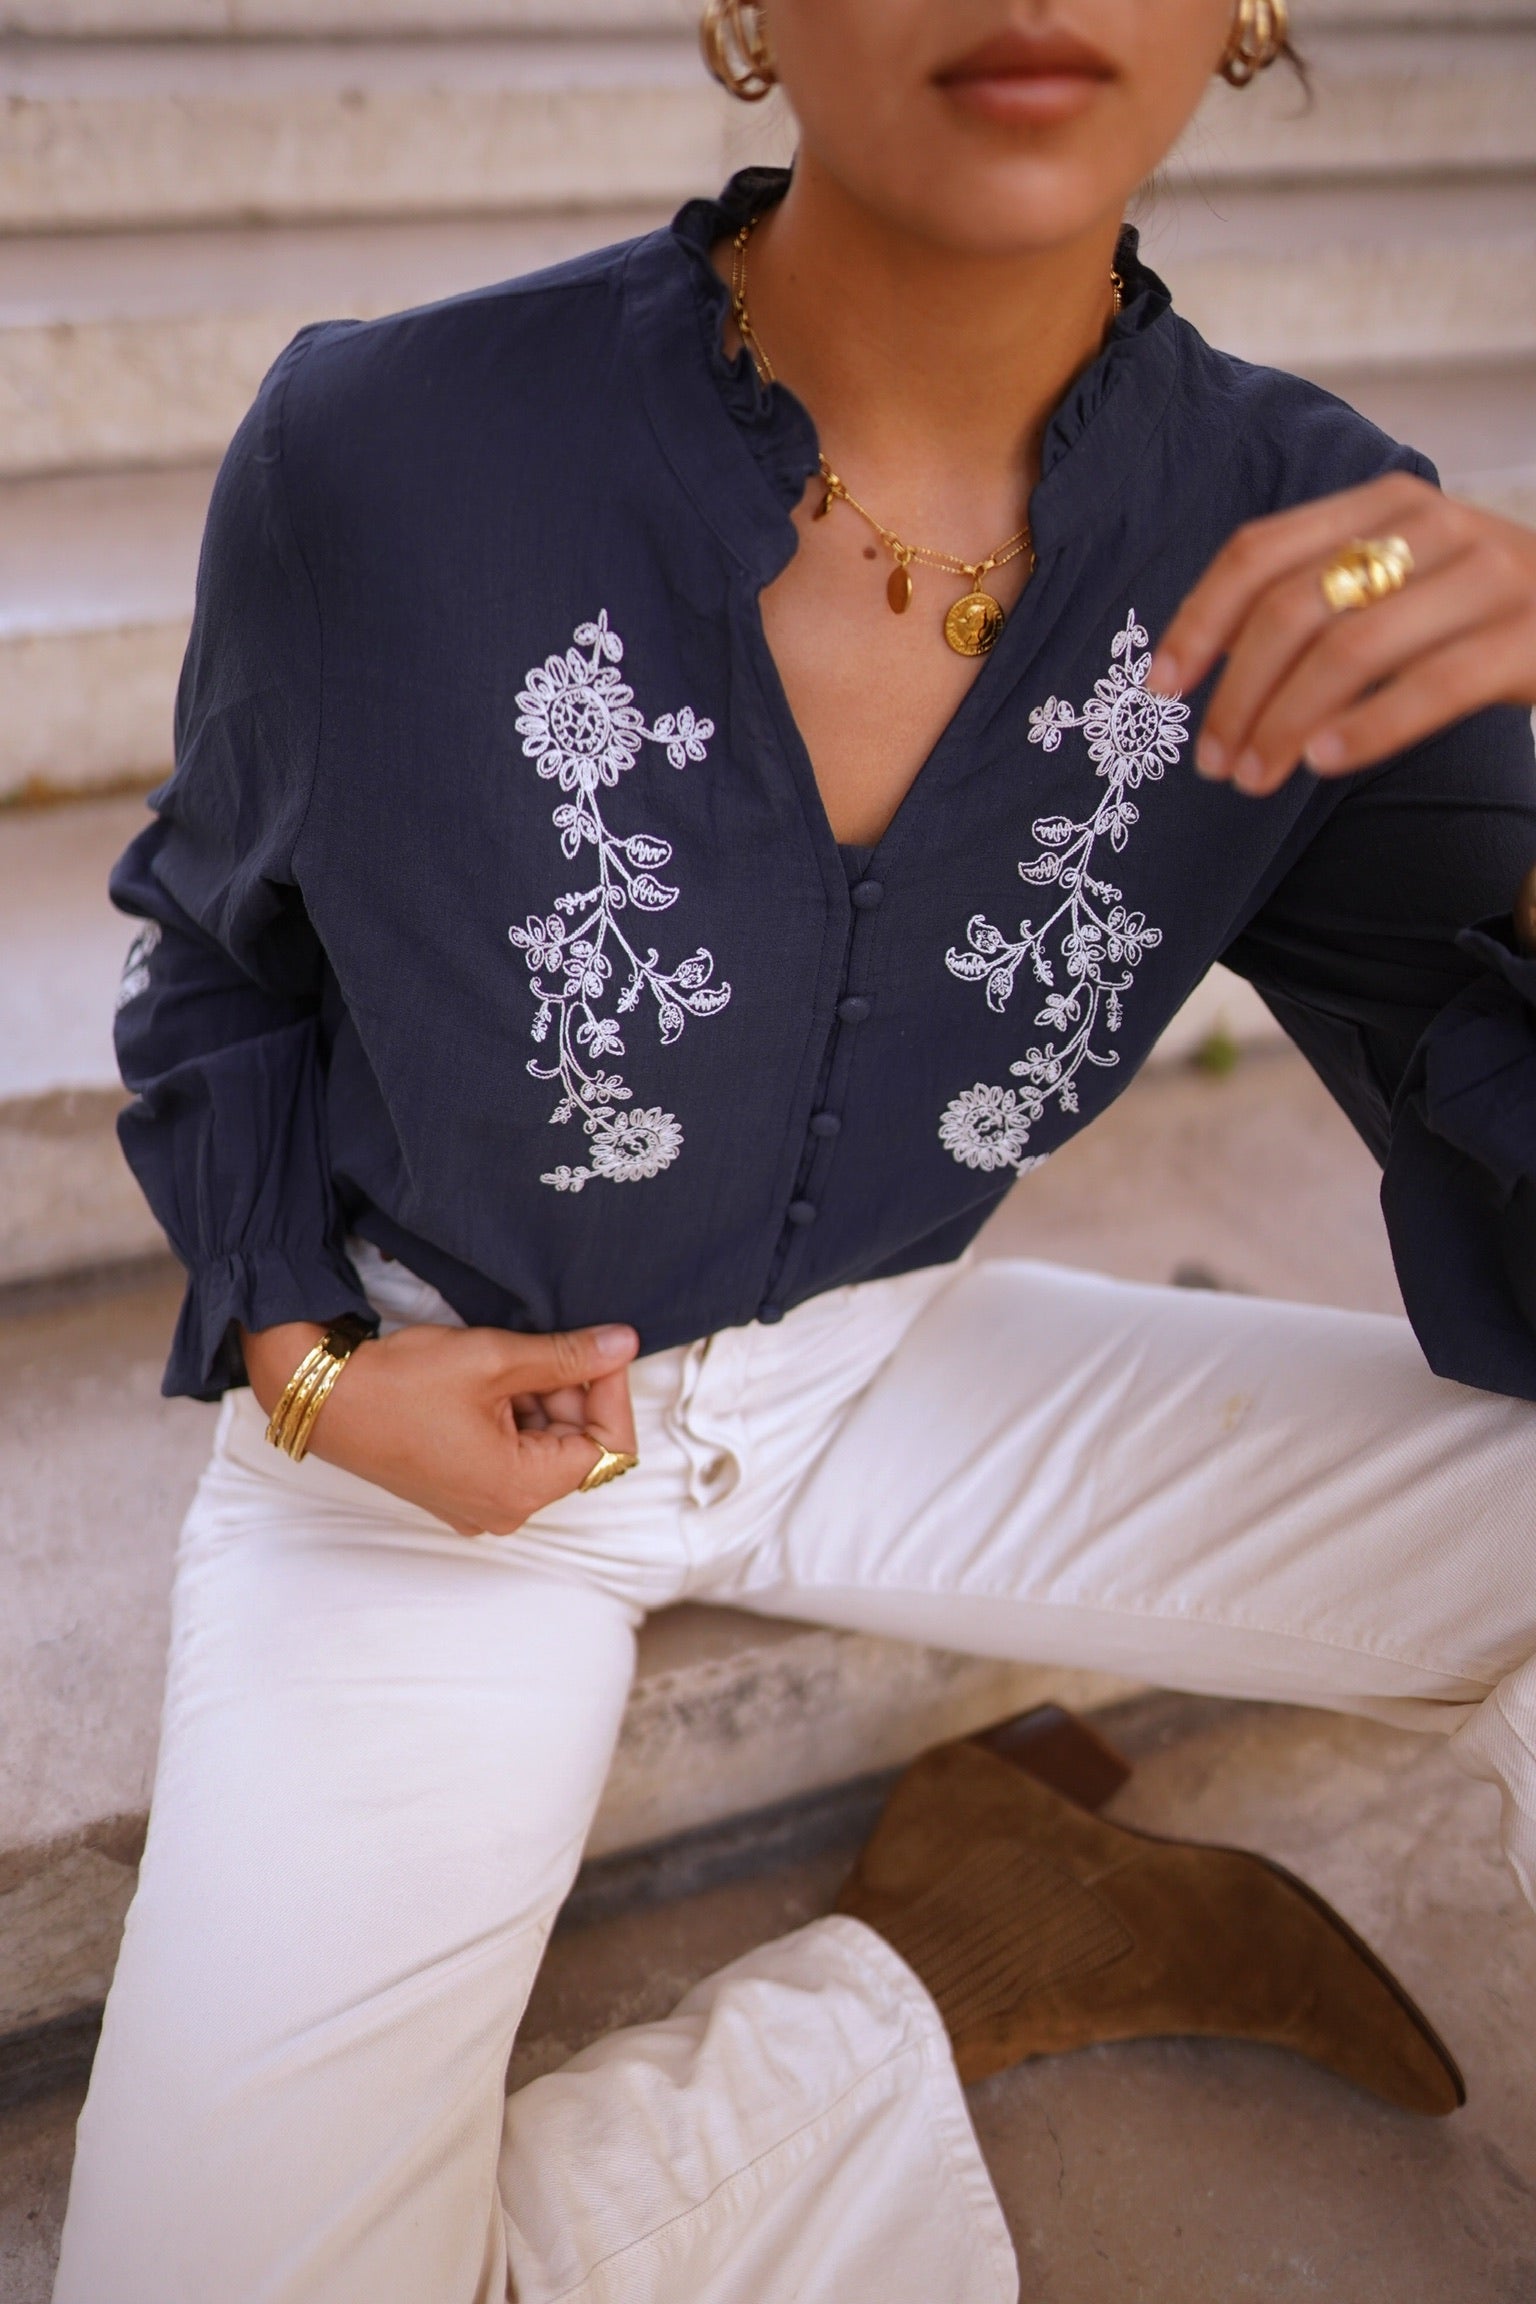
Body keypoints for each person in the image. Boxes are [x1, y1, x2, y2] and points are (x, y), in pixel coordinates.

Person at [52, 2, 1536, 2298]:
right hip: (441, 1445)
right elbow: (214, 953)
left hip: (885, 1371)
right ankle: (947, 1969)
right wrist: (309, 1362)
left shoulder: (1304, 549)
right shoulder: (397, 449)